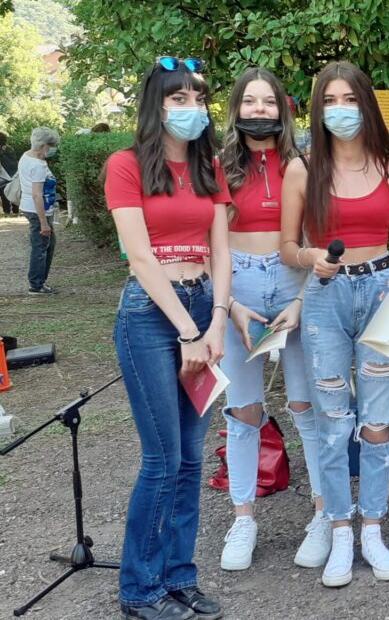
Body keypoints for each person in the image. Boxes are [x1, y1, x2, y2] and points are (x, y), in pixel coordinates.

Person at [280, 61, 389, 588]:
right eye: (329, 101)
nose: (340, 110)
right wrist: (312, 255)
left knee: (379, 419)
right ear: (318, 110)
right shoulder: (303, 168)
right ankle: (340, 530)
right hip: (325, 298)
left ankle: (374, 529)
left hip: (383, 291)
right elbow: (287, 247)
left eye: (350, 99)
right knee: (334, 420)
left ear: (368, 104)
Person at [103, 56, 229, 620]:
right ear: (156, 106)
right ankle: (140, 590)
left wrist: (217, 321)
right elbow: (139, 256)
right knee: (162, 458)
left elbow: (222, 250)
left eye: (198, 99)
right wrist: (187, 331)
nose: (191, 110)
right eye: (178, 100)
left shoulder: (209, 167)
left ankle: (180, 578)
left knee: (191, 459)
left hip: (204, 306)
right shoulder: (125, 165)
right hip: (153, 318)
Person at [216, 67, 326, 572]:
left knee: (309, 404)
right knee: (244, 411)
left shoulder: (306, 163)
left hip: (294, 282)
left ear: (283, 109)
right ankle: (243, 518)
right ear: (236, 108)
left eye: (269, 102)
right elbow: (206, 241)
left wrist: (302, 298)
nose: (260, 110)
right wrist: (230, 306)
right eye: (250, 102)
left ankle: (325, 515)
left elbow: (316, 234)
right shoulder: (216, 166)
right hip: (237, 286)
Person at [19, 126, 61, 294]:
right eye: (53, 146)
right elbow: (37, 195)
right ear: (44, 146)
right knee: (41, 246)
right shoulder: (38, 165)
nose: (54, 149)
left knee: (47, 244)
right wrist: (44, 222)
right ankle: (36, 285)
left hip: (33, 207)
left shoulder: (26, 156)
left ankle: (39, 281)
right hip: (38, 210)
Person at [0, 131, 19, 214]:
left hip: (4, 175)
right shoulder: (10, 148)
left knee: (4, 192)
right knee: (13, 191)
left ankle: (7, 211)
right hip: (14, 173)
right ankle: (15, 210)